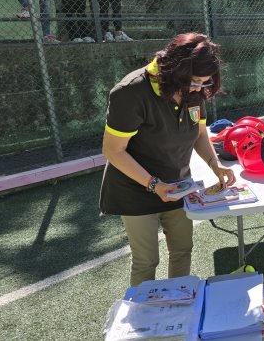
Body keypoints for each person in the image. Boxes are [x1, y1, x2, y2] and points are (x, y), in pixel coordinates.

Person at [100, 33, 236, 286]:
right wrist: (154, 185)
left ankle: (178, 306)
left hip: (178, 185)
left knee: (182, 251)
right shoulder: (130, 92)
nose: (199, 89)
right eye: (195, 81)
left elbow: (199, 134)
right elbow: (113, 151)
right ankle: (144, 319)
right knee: (146, 261)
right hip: (136, 191)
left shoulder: (194, 90)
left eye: (205, 83)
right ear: (176, 71)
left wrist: (215, 163)